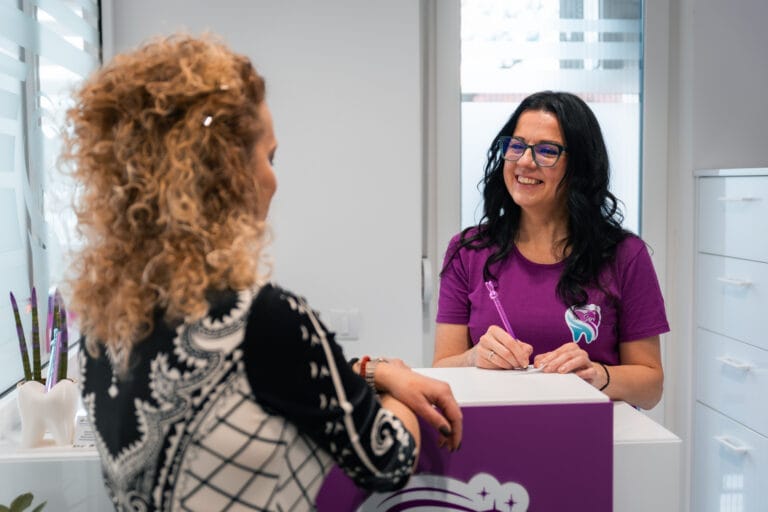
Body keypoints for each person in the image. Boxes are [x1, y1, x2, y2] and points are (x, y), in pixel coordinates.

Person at [63, 34, 462, 511]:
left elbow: (287, 377)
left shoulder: (101, 323)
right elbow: (389, 459)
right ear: (228, 173)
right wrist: (398, 387)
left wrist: (376, 373)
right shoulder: (265, 320)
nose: (274, 178)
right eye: (269, 157)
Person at [433, 91, 668, 410]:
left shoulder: (624, 254)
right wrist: (474, 358)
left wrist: (598, 376)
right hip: (492, 435)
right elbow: (440, 370)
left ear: (579, 167)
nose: (525, 161)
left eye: (547, 151)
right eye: (516, 145)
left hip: (592, 438)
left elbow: (651, 387)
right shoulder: (467, 251)